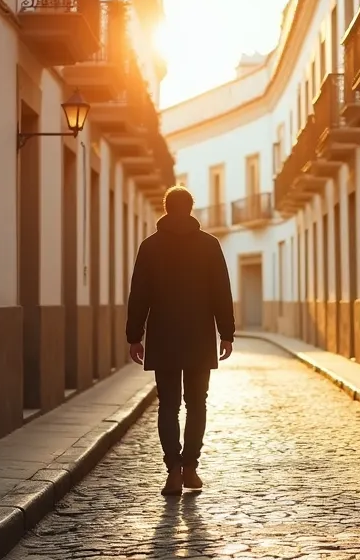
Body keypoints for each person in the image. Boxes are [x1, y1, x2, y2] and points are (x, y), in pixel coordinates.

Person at [126, 186, 236, 496]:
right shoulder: (210, 245)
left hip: (163, 336)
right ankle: (191, 468)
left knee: (168, 406)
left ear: (165, 208)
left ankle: (173, 470)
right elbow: (221, 292)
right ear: (190, 209)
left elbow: (139, 295)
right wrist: (226, 333)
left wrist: (135, 336)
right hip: (199, 336)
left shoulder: (150, 247)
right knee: (197, 404)